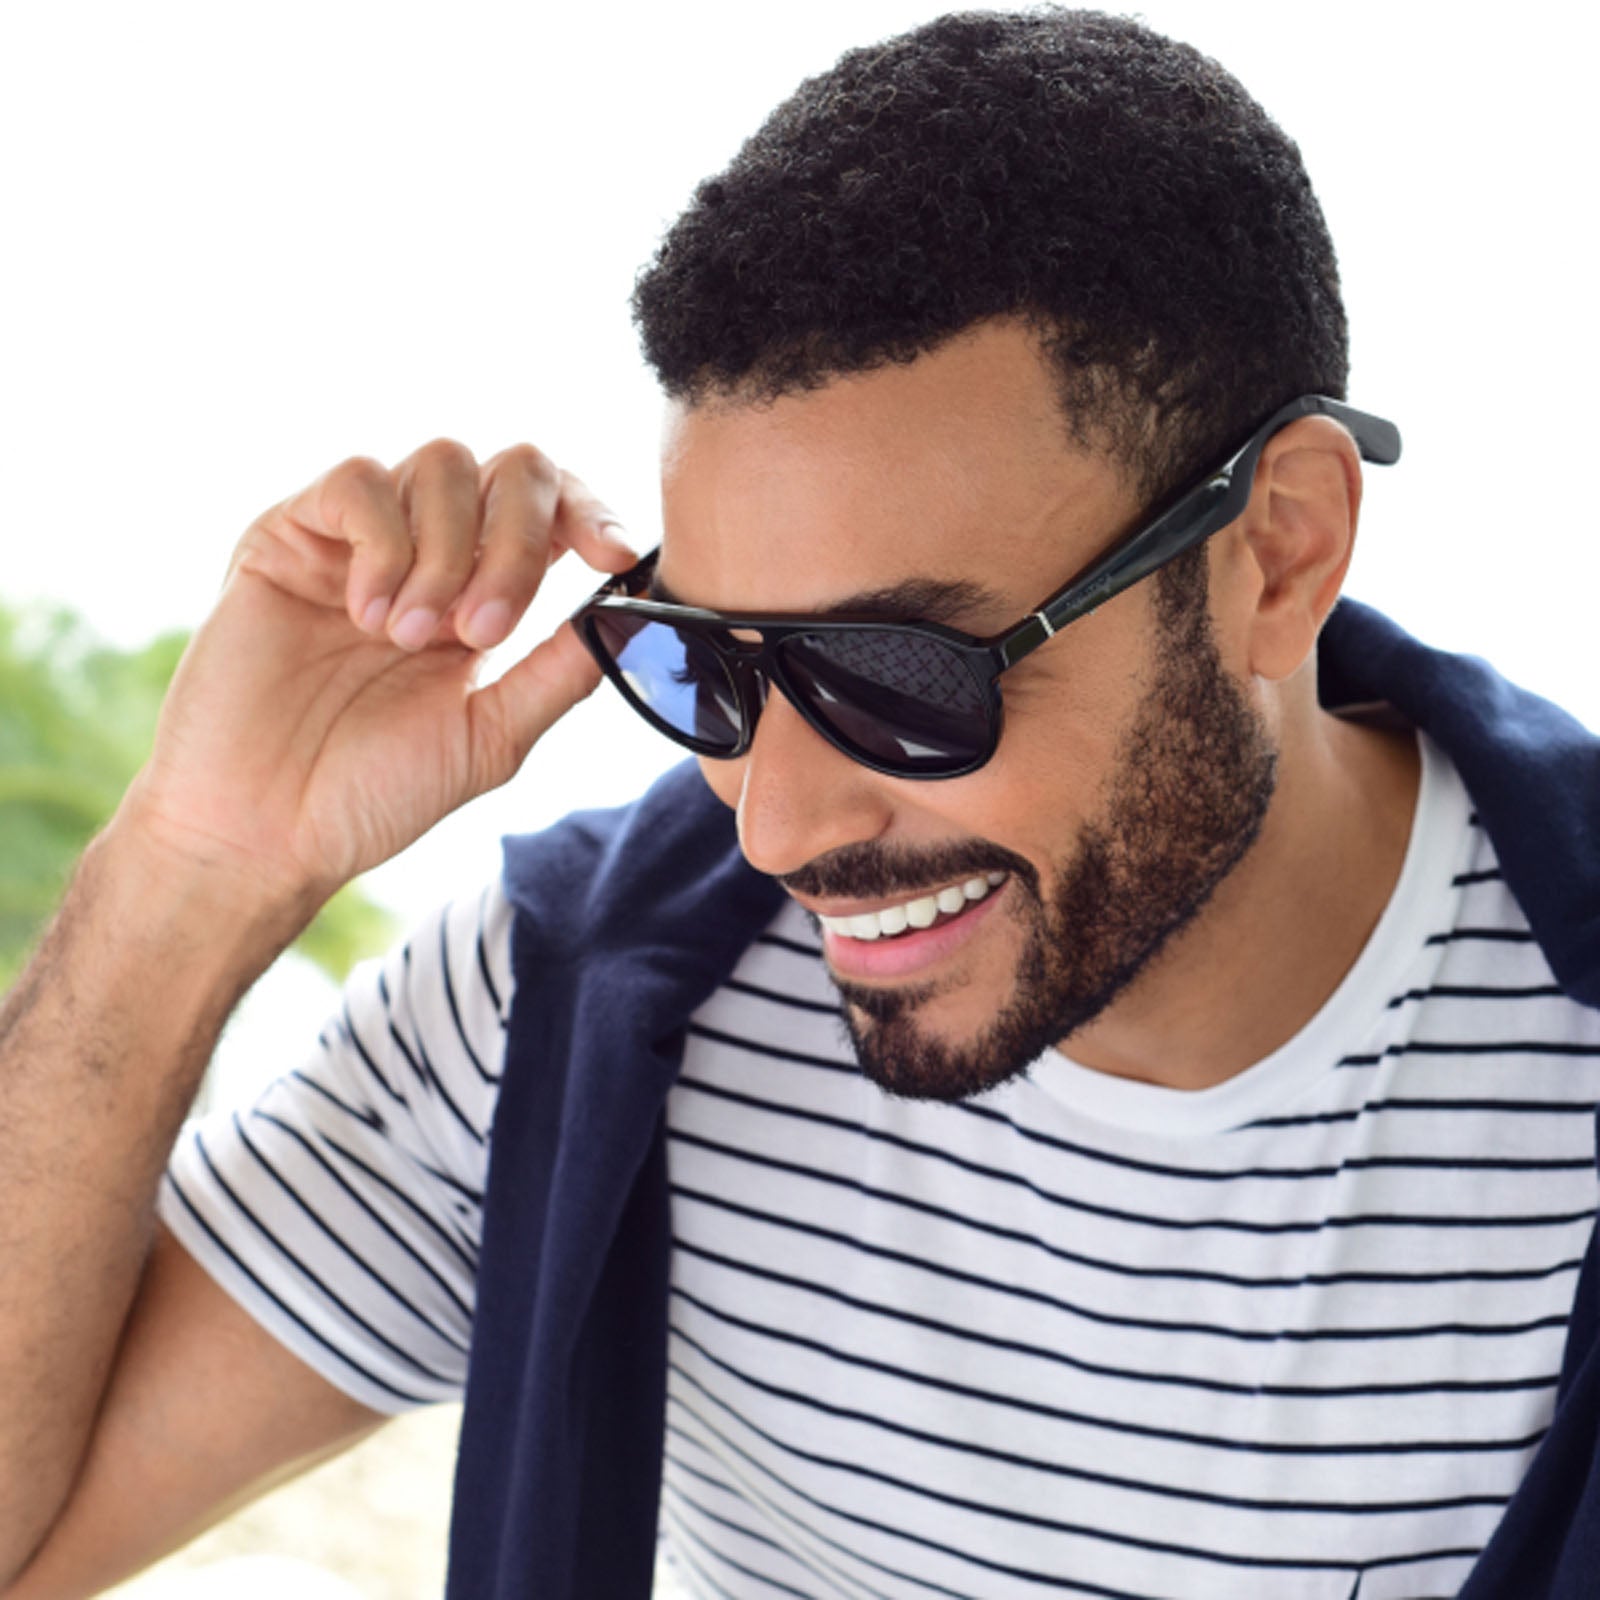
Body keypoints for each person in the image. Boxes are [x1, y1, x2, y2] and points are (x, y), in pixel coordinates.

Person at [3, 8, 1598, 1598]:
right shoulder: (577, 1009)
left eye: (900, 677)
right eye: (706, 661)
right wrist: (197, 865)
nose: (774, 829)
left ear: (1283, 552)